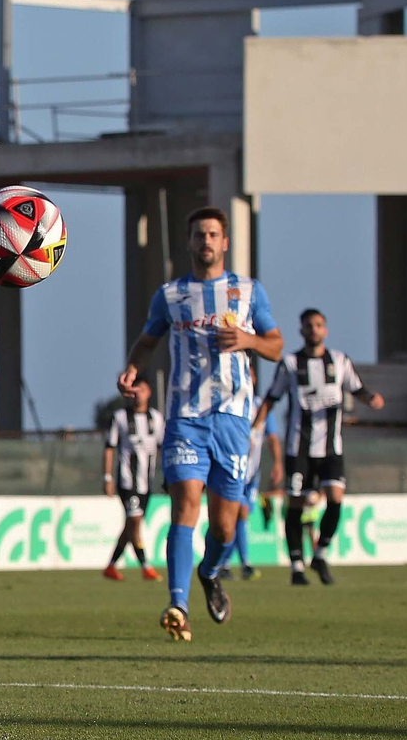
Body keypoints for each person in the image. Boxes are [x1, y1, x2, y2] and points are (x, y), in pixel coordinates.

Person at [116, 207, 282, 642]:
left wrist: (248, 340)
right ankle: (177, 603)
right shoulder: (171, 295)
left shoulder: (247, 292)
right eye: (198, 235)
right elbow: (148, 341)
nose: (205, 241)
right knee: (186, 503)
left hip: (233, 419)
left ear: (224, 242)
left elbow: (277, 346)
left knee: (225, 527)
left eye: (212, 234)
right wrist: (133, 368)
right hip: (185, 417)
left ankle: (209, 573)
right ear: (188, 243)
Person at [255, 308, 383, 585]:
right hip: (298, 450)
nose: (314, 330)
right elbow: (271, 398)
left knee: (336, 499)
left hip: (330, 448)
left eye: (318, 325)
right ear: (301, 331)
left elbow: (357, 388)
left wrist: (371, 399)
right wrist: (255, 427)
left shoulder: (339, 361)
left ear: (325, 330)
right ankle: (297, 567)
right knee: (296, 505)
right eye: (309, 326)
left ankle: (321, 554)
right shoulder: (290, 364)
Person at [219, 369, 280, 581]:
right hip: (232, 470)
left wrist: (278, 463)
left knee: (239, 517)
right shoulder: (228, 404)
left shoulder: (260, 405)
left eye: (252, 373)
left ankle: (226, 564)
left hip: (252, 475)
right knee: (238, 515)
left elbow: (272, 437)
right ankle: (241, 563)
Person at [101, 379, 161, 582]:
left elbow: (162, 447)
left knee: (130, 526)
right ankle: (146, 566)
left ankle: (110, 566)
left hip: (147, 483)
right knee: (135, 523)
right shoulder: (120, 417)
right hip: (128, 482)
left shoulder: (156, 418)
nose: (138, 394)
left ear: (149, 392)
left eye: (141, 389)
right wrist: (107, 477)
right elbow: (109, 447)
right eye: (134, 390)